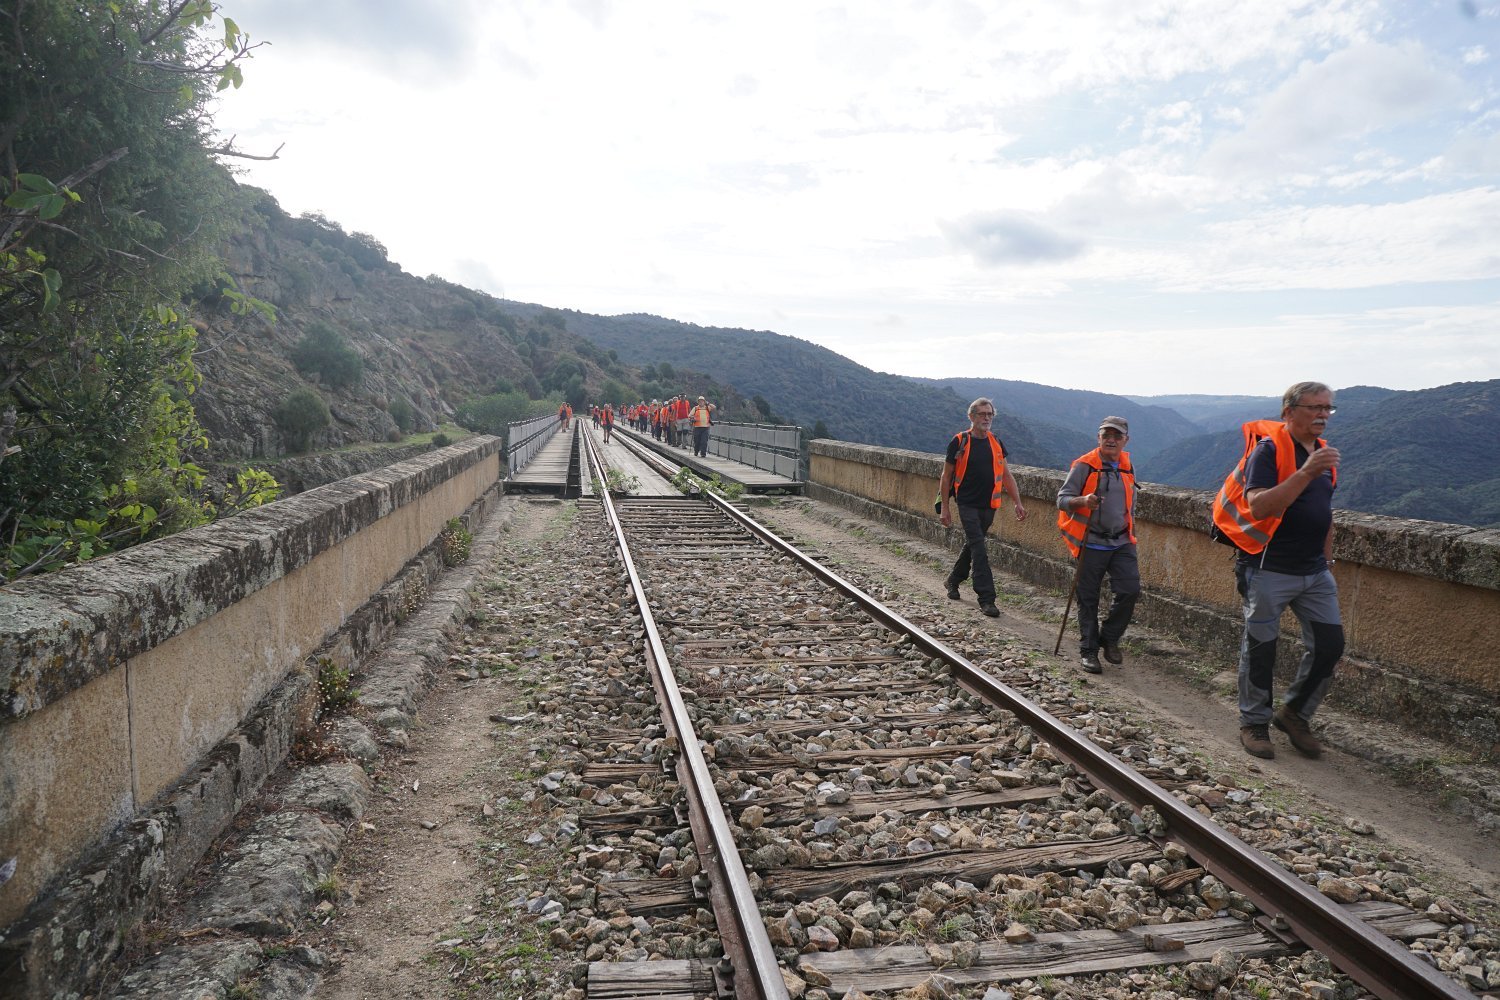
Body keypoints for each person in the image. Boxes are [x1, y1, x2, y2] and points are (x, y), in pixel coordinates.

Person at [1212, 381, 1342, 760]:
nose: (1322, 415)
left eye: (1328, 408)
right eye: (1315, 407)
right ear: (1288, 412)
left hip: (1314, 571)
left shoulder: (1322, 454)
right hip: (1268, 567)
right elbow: (1260, 506)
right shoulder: (1268, 451)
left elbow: (1325, 512)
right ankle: (1254, 723)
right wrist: (1306, 472)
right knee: (1260, 648)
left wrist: (1327, 560)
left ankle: (1294, 714)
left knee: (1330, 646)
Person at [1057, 417, 1141, 674]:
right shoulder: (1085, 465)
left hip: (1122, 541)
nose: (1111, 440)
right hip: (1091, 541)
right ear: (1099, 438)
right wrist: (1082, 501)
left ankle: (1109, 637)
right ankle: (1089, 651)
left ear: (1126, 440)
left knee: (1130, 590)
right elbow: (1062, 499)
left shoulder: (1127, 466)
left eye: (1117, 436)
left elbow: (1130, 503)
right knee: (1088, 597)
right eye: (1106, 435)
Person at [938, 397, 1027, 617]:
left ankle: (953, 580)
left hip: (989, 505)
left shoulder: (996, 442)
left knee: (973, 544)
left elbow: (1006, 475)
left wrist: (1018, 502)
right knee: (979, 549)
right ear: (971, 417)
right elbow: (946, 476)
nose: (987, 418)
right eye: (982, 414)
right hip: (967, 503)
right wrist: (945, 508)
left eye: (990, 414)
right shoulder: (959, 441)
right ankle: (987, 599)